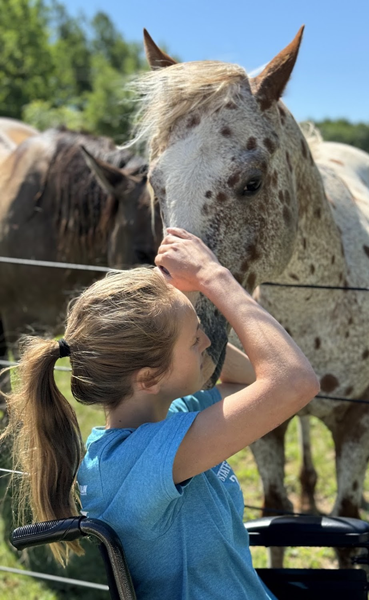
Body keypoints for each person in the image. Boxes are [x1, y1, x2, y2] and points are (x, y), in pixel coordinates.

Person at [2, 228, 320, 599]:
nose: (208, 342)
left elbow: (250, 381)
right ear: (149, 378)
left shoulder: (170, 418)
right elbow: (294, 381)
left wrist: (177, 314)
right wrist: (214, 278)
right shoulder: (138, 462)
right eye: (195, 340)